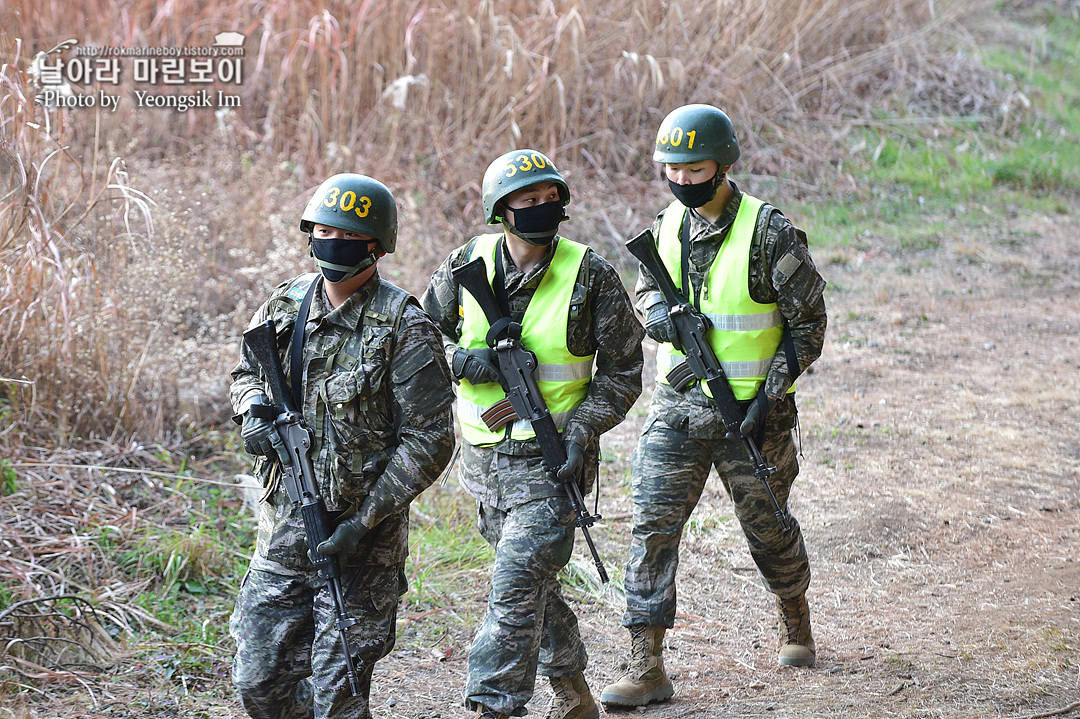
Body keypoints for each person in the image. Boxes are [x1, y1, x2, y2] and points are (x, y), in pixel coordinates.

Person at [600, 104, 828, 708]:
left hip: (753, 417)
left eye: (694, 167)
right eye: (670, 168)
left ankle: (793, 613)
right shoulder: (666, 227)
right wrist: (663, 321)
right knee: (652, 529)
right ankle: (645, 663)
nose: (681, 179)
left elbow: (808, 328)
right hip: (677, 410)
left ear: (723, 165)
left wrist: (770, 391)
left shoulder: (770, 232)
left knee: (768, 529)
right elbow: (648, 289)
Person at [421, 149, 644, 719]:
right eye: (528, 201)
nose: (543, 209)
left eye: (551, 200)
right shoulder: (464, 265)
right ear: (502, 211)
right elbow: (420, 342)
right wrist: (469, 361)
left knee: (515, 584)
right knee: (534, 587)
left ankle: (494, 705)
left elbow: (623, 371)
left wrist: (582, 430)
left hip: (554, 464)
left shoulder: (589, 274)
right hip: (485, 464)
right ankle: (574, 695)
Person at [228, 173, 456, 719]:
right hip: (286, 526)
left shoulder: (404, 325)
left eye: (346, 235)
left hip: (362, 543)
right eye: (322, 231)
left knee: (340, 693)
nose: (329, 243)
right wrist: (254, 412)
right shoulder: (284, 305)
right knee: (258, 681)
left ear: (375, 246)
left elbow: (429, 439)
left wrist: (363, 520)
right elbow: (246, 373)